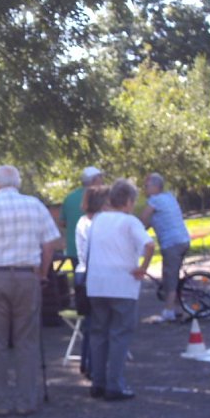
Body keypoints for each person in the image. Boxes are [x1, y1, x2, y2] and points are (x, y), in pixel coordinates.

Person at [0, 165, 60, 416]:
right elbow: (50, 242)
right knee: (26, 341)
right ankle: (26, 401)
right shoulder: (35, 206)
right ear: (17, 184)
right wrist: (42, 271)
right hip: (27, 276)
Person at [85, 179, 155, 401]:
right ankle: (115, 383)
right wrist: (142, 268)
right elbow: (149, 245)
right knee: (119, 335)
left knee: (98, 334)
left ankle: (98, 381)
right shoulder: (129, 222)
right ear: (128, 201)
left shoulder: (97, 220)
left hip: (96, 283)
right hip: (122, 284)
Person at [140, 173, 191, 322]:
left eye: (146, 186)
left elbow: (143, 219)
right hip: (182, 240)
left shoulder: (154, 201)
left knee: (170, 277)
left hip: (172, 243)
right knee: (172, 275)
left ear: (156, 187)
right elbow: (152, 222)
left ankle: (169, 310)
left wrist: (134, 231)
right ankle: (178, 308)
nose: (145, 189)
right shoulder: (169, 197)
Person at [73, 184, 110, 377]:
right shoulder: (99, 223)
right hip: (94, 273)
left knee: (90, 324)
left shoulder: (82, 221)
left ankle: (87, 362)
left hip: (83, 272)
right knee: (99, 322)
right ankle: (93, 364)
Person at [59, 166, 104, 262]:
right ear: (94, 180)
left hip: (73, 249)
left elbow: (62, 223)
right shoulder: (100, 197)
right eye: (100, 177)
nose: (102, 181)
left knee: (78, 275)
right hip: (94, 249)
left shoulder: (69, 198)